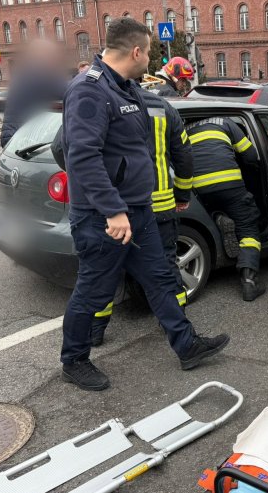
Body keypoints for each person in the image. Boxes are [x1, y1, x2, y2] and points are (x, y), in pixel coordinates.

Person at [59, 17, 229, 391]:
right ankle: (74, 359)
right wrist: (113, 210)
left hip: (142, 211)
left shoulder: (126, 88)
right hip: (105, 218)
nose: (151, 58)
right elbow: (82, 156)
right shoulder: (90, 90)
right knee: (93, 291)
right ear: (135, 51)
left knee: (162, 280)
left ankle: (187, 347)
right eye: (149, 51)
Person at [89, 88, 195, 346]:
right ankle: (175, 323)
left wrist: (92, 185)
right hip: (158, 206)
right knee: (166, 268)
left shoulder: (100, 101)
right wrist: (182, 193)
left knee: (105, 270)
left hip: (116, 209)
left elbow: (65, 149)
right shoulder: (162, 107)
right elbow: (183, 155)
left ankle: (95, 331)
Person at [186, 116, 266, 301]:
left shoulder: (185, 128)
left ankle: (218, 218)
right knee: (248, 228)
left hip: (200, 189)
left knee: (212, 208)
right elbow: (250, 155)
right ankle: (249, 282)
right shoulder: (225, 122)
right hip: (230, 184)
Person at [0, 39, 67, 147]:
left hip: (13, 137)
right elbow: (68, 89)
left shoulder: (24, 75)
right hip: (23, 140)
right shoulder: (41, 75)